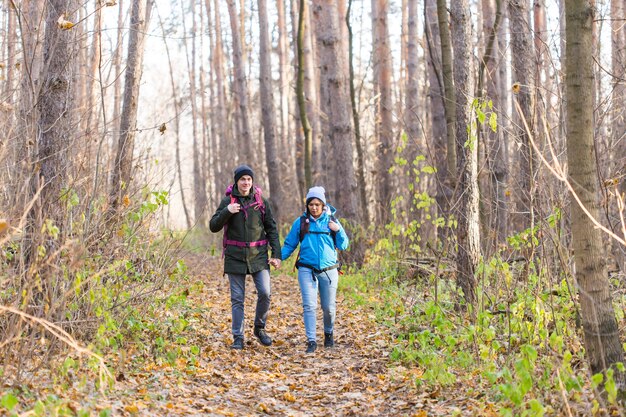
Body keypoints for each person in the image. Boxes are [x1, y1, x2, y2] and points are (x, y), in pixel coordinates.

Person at [209, 165, 282, 350]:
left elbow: (272, 228)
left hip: (258, 255)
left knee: (265, 293)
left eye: (249, 179)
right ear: (237, 181)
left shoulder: (261, 202)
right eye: (242, 179)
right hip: (235, 256)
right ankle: (238, 337)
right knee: (238, 298)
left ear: (252, 181)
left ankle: (259, 328)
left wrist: (276, 254)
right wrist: (227, 211)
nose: (246, 182)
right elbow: (213, 226)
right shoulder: (228, 201)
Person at [281, 186, 349, 353]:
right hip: (306, 269)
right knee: (309, 306)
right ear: (307, 205)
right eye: (311, 204)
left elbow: (344, 244)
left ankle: (328, 333)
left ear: (323, 205)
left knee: (328, 307)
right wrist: (278, 257)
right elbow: (290, 244)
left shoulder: (332, 221)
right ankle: (311, 340)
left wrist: (338, 231)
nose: (314, 207)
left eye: (317, 204)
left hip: (329, 270)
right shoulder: (301, 223)